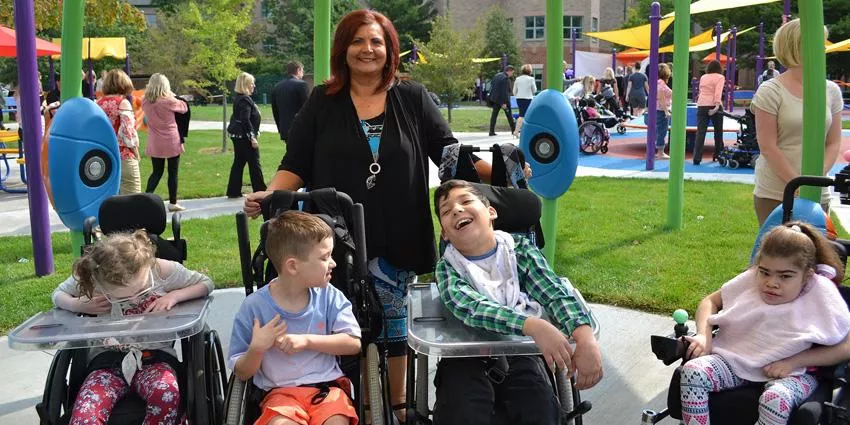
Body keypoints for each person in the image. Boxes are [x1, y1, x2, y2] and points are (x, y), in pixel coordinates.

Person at [242, 10, 490, 422]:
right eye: (358, 41)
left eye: (376, 41)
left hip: (398, 233)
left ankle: (396, 406)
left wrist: (500, 169)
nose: (367, 49)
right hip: (334, 239)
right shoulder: (323, 101)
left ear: (390, 49)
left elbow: (449, 153)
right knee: (338, 322)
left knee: (393, 328)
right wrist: (271, 196)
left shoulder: (412, 97)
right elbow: (295, 162)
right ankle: (339, 399)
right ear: (344, 49)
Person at [431, 180, 603, 425]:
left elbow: (553, 291)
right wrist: (532, 325)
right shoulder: (447, 267)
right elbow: (470, 307)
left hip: (522, 352)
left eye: (466, 201)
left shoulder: (520, 250)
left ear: (491, 212)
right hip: (464, 356)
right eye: (446, 211)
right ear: (445, 234)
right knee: (464, 413)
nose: (457, 210)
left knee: (540, 410)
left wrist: (584, 337)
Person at [680, 222, 850, 425]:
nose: (772, 282)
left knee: (775, 399)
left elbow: (847, 346)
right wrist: (703, 335)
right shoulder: (752, 279)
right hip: (736, 359)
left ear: (807, 276)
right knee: (693, 372)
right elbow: (710, 301)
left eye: (785, 276)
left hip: (794, 373)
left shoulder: (820, 292)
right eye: (765, 272)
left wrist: (794, 362)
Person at [52, 230, 215, 425]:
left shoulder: (161, 271)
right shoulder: (93, 274)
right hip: (107, 362)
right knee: (85, 414)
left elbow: (206, 283)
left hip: (155, 359)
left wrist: (174, 296)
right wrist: (78, 305)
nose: (134, 299)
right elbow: (58, 294)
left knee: (166, 394)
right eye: (120, 297)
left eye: (140, 290)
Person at [229, 211, 361, 425]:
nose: (333, 263)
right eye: (324, 257)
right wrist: (257, 349)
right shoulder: (254, 308)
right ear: (293, 266)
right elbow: (242, 373)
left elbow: (353, 343)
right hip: (280, 395)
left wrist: (307, 341)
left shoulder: (330, 297)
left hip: (327, 389)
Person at [750, 19, 844, 226]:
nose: (823, 48)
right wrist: (798, 184)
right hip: (775, 192)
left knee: (815, 245)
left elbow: (833, 142)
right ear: (797, 46)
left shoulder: (831, 90)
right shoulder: (771, 90)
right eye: (818, 42)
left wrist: (816, 179)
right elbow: (768, 146)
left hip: (817, 191)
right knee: (778, 246)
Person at [142, 73, 188, 212]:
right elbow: (184, 107)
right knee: (173, 172)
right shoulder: (168, 101)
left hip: (155, 141)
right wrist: (172, 94)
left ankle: (145, 199)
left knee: (156, 172)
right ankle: (173, 203)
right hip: (171, 140)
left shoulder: (145, 101)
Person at [97, 69, 141, 194]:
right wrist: (135, 152)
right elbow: (127, 132)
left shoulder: (98, 104)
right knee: (133, 197)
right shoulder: (123, 103)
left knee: (111, 198)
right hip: (123, 155)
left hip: (104, 157)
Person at [226, 72, 267, 199]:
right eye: (252, 83)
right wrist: (252, 137)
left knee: (239, 162)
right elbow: (245, 119)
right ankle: (260, 190)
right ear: (246, 85)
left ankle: (233, 191)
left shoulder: (239, 98)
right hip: (244, 137)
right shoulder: (245, 99)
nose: (254, 86)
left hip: (238, 136)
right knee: (254, 163)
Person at [693, 60, 726, 165]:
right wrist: (717, 106)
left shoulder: (703, 77)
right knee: (718, 131)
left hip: (702, 104)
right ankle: (718, 154)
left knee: (701, 132)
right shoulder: (720, 77)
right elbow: (718, 92)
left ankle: (697, 158)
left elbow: (701, 91)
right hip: (714, 105)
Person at [271, 60, 310, 142]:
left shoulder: (277, 87)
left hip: (285, 130)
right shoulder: (302, 85)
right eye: (302, 71)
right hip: (300, 130)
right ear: (298, 70)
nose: (303, 74)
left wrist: (281, 129)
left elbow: (275, 111)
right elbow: (307, 109)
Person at [488, 65, 516, 136]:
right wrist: (503, 103)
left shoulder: (497, 75)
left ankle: (491, 131)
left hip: (495, 99)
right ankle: (514, 130)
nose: (512, 74)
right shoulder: (505, 79)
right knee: (509, 115)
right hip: (503, 101)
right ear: (509, 71)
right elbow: (504, 92)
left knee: (494, 115)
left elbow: (493, 86)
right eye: (512, 72)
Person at [512, 64, 536, 138]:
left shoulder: (517, 79)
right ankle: (517, 131)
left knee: (521, 114)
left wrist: (518, 95)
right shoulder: (531, 79)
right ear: (530, 71)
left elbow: (514, 91)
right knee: (525, 115)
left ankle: (517, 131)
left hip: (519, 99)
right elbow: (534, 90)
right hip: (528, 99)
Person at [655, 63, 672, 160]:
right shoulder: (661, 84)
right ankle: (660, 152)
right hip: (662, 110)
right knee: (662, 131)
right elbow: (661, 98)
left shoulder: (659, 83)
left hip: (660, 109)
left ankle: (659, 150)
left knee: (660, 130)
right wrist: (666, 111)